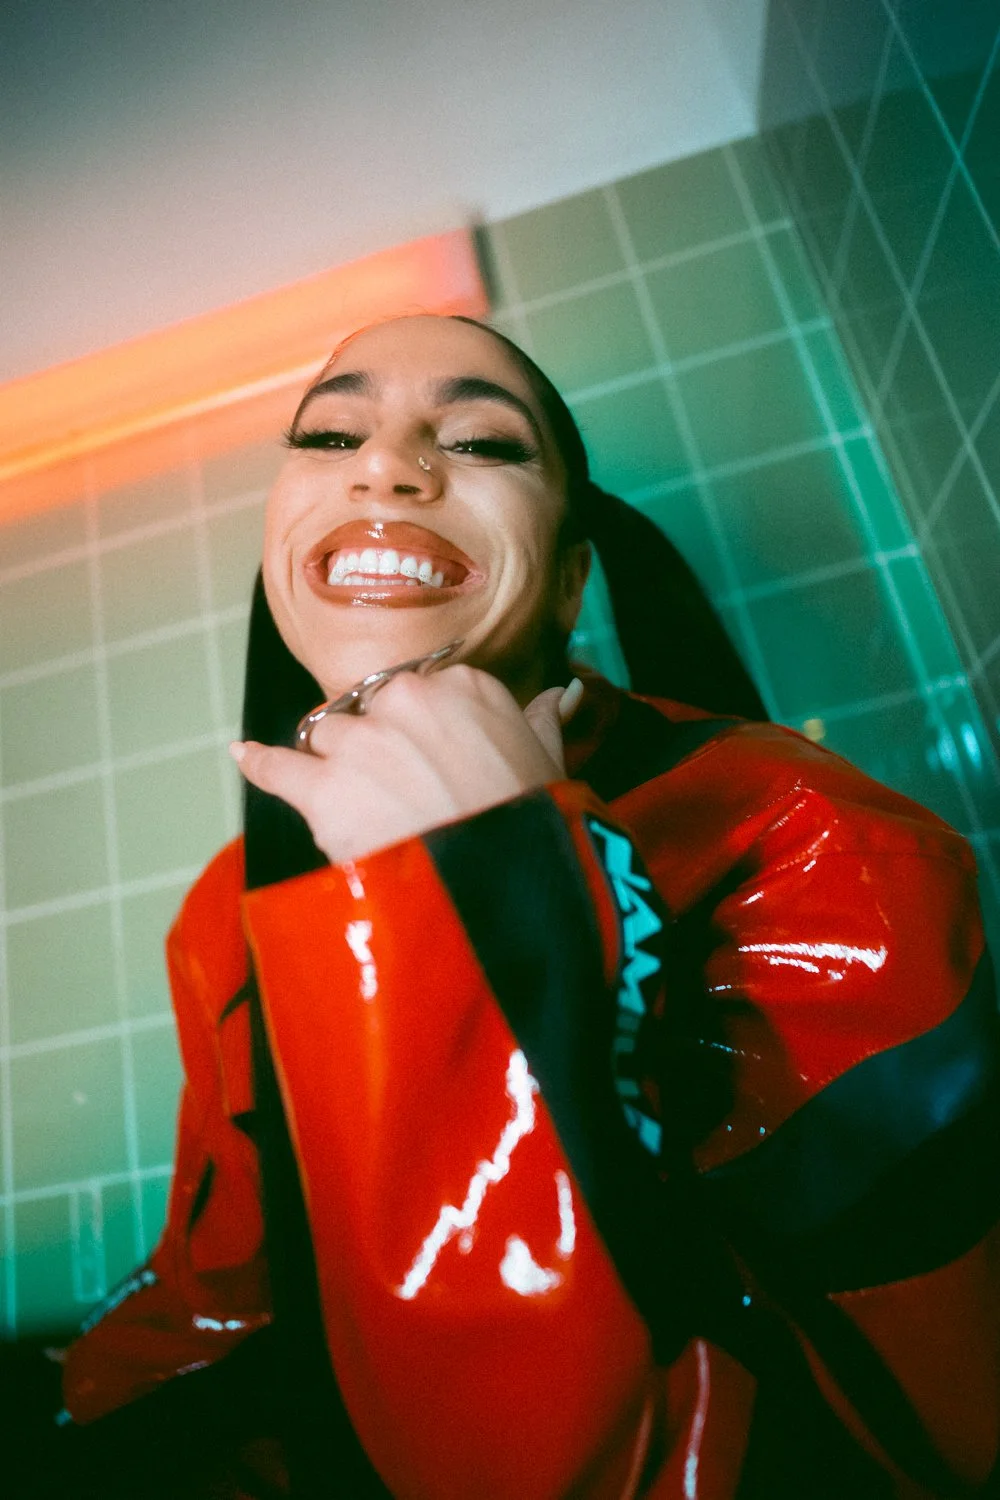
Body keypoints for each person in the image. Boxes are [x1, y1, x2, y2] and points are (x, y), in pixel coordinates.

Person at [50, 313, 1000, 1498]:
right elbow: (219, 1297)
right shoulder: (221, 914)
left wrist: (484, 894)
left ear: (567, 580)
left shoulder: (821, 841)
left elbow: (881, 1446)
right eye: (331, 434)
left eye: (482, 441)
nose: (384, 464)